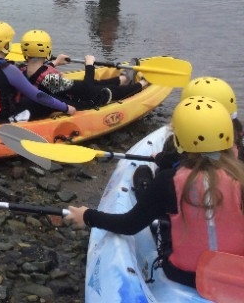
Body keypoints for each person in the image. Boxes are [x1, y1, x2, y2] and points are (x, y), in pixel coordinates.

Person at [65, 96, 244, 289]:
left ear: (177, 140)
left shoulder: (169, 180)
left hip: (184, 274)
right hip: (236, 274)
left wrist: (87, 216)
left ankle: (152, 204)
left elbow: (129, 225)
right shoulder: (240, 178)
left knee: (165, 215)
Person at [0, 21, 75, 121]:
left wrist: (53, 64)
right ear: (6, 45)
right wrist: (65, 108)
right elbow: (37, 95)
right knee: (43, 102)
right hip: (1, 116)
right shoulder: (9, 69)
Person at [19, 29, 147, 109]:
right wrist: (89, 66)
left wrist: (55, 63)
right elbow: (88, 88)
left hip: (60, 94)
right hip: (80, 102)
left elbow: (37, 73)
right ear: (47, 51)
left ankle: (124, 79)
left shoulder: (23, 70)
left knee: (97, 83)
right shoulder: (51, 81)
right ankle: (142, 84)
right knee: (104, 90)